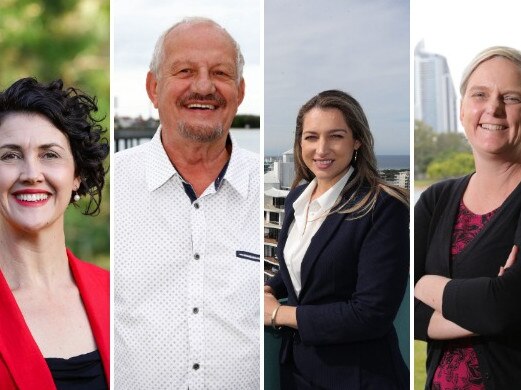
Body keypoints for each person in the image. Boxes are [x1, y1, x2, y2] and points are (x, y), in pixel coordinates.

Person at [114, 17, 260, 389]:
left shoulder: (275, 190)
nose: (203, 86)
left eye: (221, 73)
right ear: (153, 86)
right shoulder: (109, 187)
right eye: (185, 70)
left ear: (240, 91)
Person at [264, 90, 410, 389]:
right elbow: (303, 261)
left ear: (356, 141)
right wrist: (270, 286)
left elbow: (371, 314)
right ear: (299, 142)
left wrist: (279, 313)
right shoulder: (296, 199)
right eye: (311, 137)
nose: (321, 149)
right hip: (298, 370)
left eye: (336, 136)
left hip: (356, 376)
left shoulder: (382, 207)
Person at [414, 46, 521, 390]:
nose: (494, 108)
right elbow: (402, 310)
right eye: (480, 94)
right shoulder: (435, 200)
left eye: (512, 97)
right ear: (462, 110)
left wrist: (426, 284)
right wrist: (486, 302)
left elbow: (503, 307)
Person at [0, 78, 109, 389]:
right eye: (10, 155)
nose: (32, 174)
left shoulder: (116, 295)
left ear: (77, 175)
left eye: (50, 154)